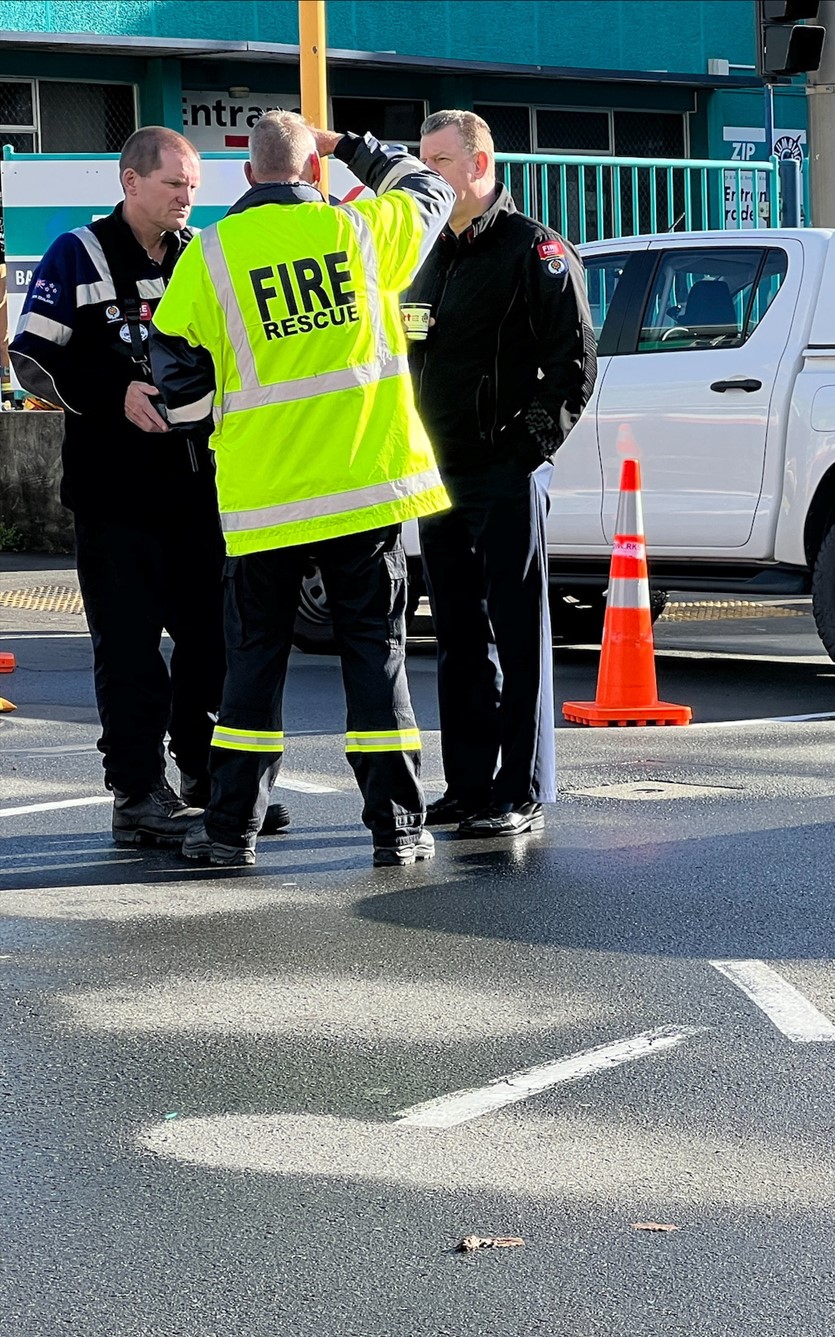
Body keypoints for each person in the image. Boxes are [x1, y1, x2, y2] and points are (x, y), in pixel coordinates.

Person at [148, 111, 454, 867]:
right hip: (364, 488)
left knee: (253, 663)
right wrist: (347, 145)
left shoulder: (212, 255)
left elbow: (177, 382)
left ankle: (230, 834)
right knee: (376, 660)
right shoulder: (362, 232)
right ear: (312, 172)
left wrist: (208, 421)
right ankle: (397, 831)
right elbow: (429, 188)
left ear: (247, 176)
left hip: (266, 498)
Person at [8, 126, 287, 847]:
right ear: (132, 183)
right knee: (129, 653)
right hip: (113, 498)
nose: (187, 198)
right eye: (174, 185)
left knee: (209, 646)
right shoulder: (79, 253)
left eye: (193, 186)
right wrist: (115, 392)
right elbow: (30, 359)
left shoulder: (204, 254)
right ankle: (136, 795)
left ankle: (203, 775)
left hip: (198, 491)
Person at [404, 109, 595, 839]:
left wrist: (526, 453)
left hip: (503, 472)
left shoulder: (533, 249)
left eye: (438, 162)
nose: (426, 175)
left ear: (478, 165)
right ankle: (468, 784)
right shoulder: (426, 251)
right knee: (455, 634)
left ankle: (520, 788)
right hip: (437, 472)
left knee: (517, 635)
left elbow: (574, 365)